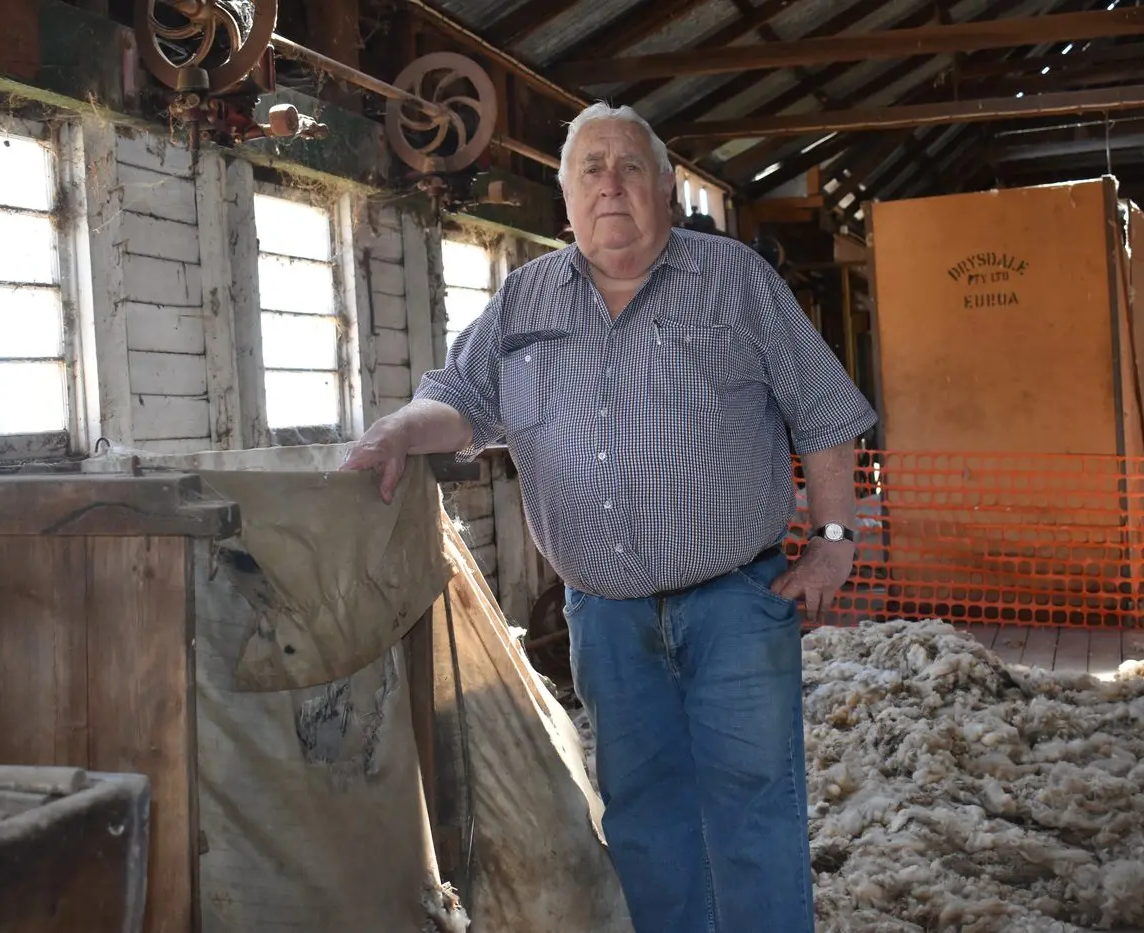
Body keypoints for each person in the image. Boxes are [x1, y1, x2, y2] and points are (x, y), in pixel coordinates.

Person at [343, 101, 878, 933]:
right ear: (564, 197)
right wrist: (397, 431)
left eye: (631, 166)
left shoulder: (733, 280)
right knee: (642, 817)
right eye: (590, 168)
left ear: (666, 189)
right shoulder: (525, 297)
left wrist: (835, 544)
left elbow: (824, 412)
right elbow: (460, 399)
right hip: (605, 617)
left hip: (737, 599)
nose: (610, 184)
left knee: (752, 808)